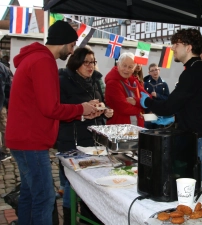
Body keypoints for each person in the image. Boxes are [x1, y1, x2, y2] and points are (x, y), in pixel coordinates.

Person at [5, 20, 97, 225]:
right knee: (45, 197)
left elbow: (44, 106)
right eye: (72, 45)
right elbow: (51, 108)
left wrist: (79, 112)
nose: (72, 51)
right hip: (31, 139)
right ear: (63, 42)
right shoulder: (43, 61)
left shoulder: (35, 58)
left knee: (30, 195)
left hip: (24, 137)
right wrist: (81, 108)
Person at [140, 28, 202, 183]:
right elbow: (193, 104)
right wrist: (176, 117)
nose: (172, 48)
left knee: (191, 187)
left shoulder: (192, 72)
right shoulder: (201, 70)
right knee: (193, 185)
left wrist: (147, 101)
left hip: (199, 140)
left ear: (188, 47)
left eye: (176, 44)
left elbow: (169, 106)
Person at [57, 47, 113, 224]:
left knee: (91, 184)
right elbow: (59, 111)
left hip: (94, 141)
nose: (90, 66)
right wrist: (83, 110)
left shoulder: (96, 80)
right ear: (76, 63)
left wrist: (105, 112)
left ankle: (88, 219)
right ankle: (69, 219)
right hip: (71, 140)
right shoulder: (62, 81)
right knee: (71, 184)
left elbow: (100, 104)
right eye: (86, 62)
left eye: (93, 62)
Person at [105, 52, 147, 127]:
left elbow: (148, 97)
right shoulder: (112, 83)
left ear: (134, 69)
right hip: (120, 128)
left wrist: (136, 101)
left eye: (130, 67)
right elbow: (124, 108)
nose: (126, 70)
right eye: (124, 66)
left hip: (137, 126)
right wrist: (142, 107)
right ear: (118, 65)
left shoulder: (134, 81)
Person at [143, 63, 171, 129]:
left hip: (160, 113)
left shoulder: (164, 84)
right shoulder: (146, 84)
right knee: (147, 132)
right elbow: (143, 99)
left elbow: (167, 98)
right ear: (149, 72)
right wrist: (148, 110)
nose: (155, 72)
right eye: (152, 71)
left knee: (158, 133)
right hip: (149, 113)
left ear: (159, 70)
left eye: (156, 70)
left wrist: (157, 95)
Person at [0, 60, 12, 161]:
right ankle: (5, 150)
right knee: (4, 127)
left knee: (4, 127)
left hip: (1, 103)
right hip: (2, 103)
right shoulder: (4, 68)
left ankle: (5, 150)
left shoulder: (2, 68)